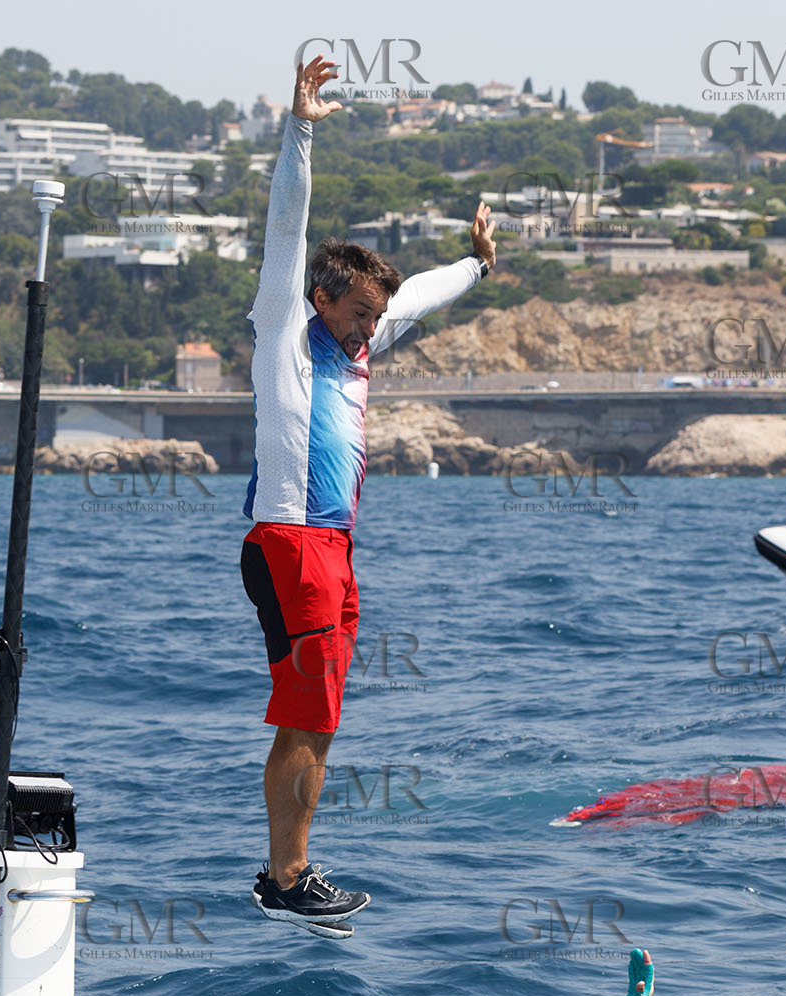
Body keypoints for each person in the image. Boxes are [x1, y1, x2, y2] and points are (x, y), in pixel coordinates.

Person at [240, 54, 497, 938]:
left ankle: (289, 869)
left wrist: (477, 265)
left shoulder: (358, 346)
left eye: (374, 319)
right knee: (308, 713)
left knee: (319, 716)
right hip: (289, 539)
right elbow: (286, 225)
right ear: (321, 297)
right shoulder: (283, 328)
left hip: (335, 549)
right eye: (357, 314)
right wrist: (301, 128)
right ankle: (288, 875)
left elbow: (420, 296)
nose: (369, 329)